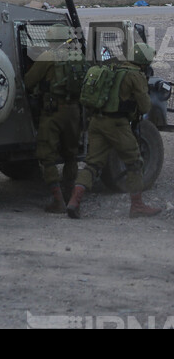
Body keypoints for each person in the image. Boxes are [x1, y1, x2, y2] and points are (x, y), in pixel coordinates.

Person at [66, 43, 162, 219]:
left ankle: (74, 201)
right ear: (142, 62)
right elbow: (145, 105)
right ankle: (137, 205)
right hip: (117, 124)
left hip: (96, 122)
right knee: (134, 162)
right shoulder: (135, 75)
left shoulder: (112, 68)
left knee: (93, 164)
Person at [23, 24, 85, 213]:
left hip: (53, 112)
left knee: (46, 155)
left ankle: (58, 200)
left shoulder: (48, 56)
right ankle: (69, 193)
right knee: (71, 155)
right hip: (74, 111)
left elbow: (28, 81)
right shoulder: (77, 56)